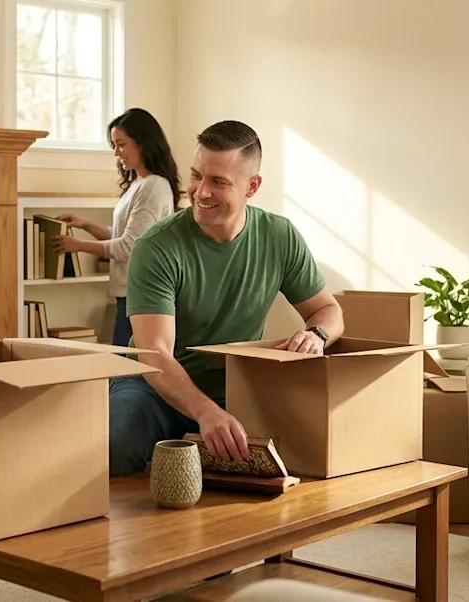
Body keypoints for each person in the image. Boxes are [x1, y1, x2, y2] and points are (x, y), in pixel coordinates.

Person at [109, 119, 344, 476]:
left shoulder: (279, 237)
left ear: (252, 186)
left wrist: (317, 335)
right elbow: (155, 355)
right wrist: (206, 413)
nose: (200, 192)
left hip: (237, 390)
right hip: (152, 388)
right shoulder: (156, 247)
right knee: (115, 444)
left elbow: (328, 310)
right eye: (196, 176)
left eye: (218, 181)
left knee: (309, 448)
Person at [51, 108, 181, 348]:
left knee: (126, 371)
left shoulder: (152, 187)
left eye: (121, 144)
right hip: (129, 294)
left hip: (141, 295)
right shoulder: (139, 184)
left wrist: (78, 246)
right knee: (125, 368)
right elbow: (124, 235)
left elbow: (130, 246)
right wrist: (86, 224)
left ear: (143, 143)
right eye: (114, 144)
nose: (116, 152)